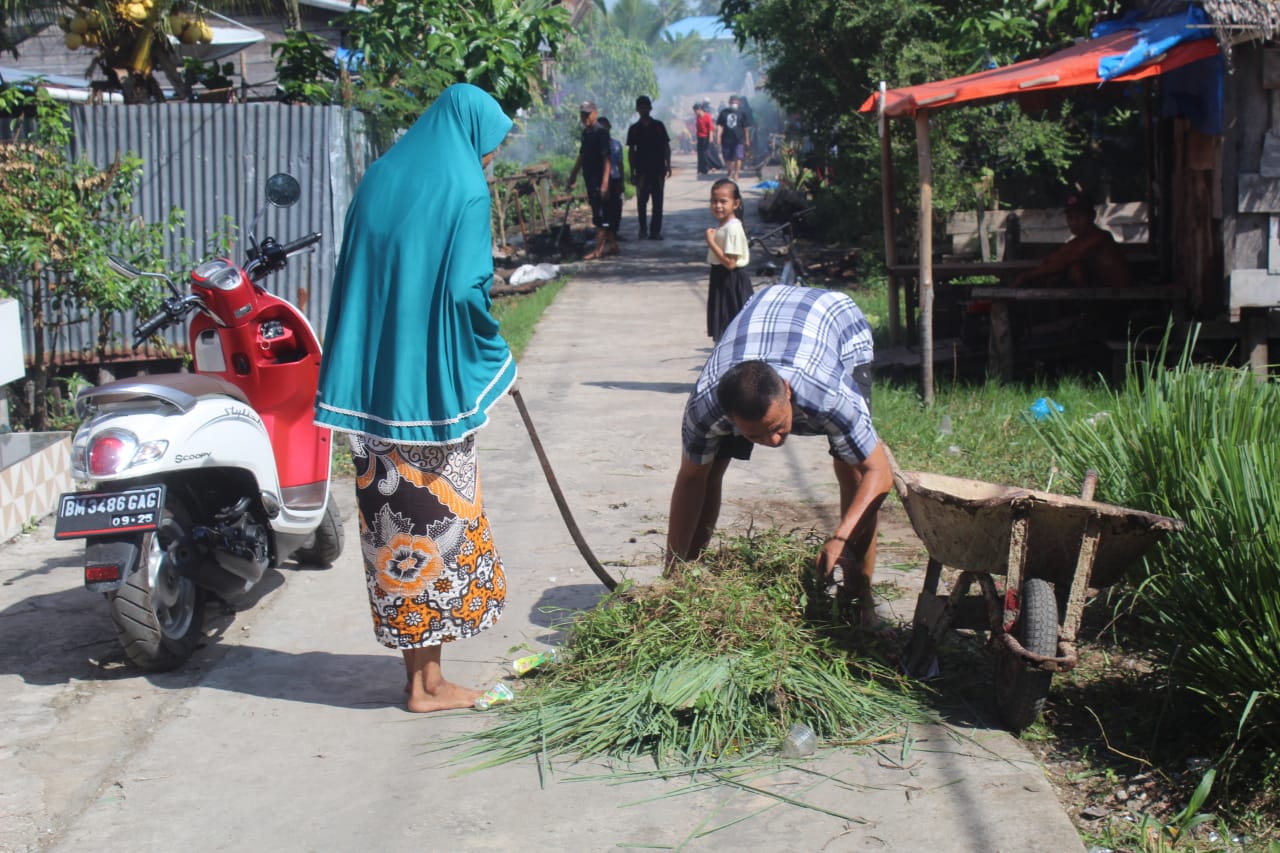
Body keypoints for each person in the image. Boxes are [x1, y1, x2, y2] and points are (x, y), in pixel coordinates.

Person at [314, 83, 515, 714]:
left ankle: (419, 679)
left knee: (394, 532)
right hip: (426, 392)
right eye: (492, 146)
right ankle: (429, 687)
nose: (491, 159)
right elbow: (464, 290)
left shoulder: (381, 175)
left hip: (371, 392)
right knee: (437, 530)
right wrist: (490, 345)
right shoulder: (465, 188)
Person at [665, 285, 893, 627]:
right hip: (760, 317)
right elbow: (692, 478)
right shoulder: (705, 409)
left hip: (836, 320)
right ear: (730, 418)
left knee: (852, 468)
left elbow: (879, 473)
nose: (772, 441)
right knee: (711, 468)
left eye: (776, 426)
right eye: (754, 435)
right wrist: (671, 576)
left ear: (787, 392)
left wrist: (840, 536)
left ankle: (859, 596)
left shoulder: (827, 395)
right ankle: (687, 583)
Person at [1012, 191, 1130, 289]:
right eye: (1070, 217)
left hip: (1117, 299)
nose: (1074, 222)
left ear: (1092, 216)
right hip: (1097, 296)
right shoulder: (1077, 242)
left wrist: (1025, 276)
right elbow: (1055, 258)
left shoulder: (1100, 238)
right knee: (1056, 275)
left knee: (1074, 270)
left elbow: (1062, 262)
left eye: (1079, 217)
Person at [566, 100, 616, 260]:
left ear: (595, 113)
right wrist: (573, 174)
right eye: (582, 115)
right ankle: (613, 245)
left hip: (600, 180)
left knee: (602, 216)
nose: (585, 118)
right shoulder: (586, 134)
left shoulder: (601, 133)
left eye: (587, 114)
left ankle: (598, 250)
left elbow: (607, 159)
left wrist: (605, 184)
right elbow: (582, 156)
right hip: (590, 180)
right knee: (598, 214)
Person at [704, 179, 752, 341]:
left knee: (731, 323)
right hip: (720, 276)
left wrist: (711, 241)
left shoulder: (733, 228)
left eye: (723, 201)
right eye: (714, 201)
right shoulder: (724, 225)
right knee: (723, 323)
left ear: (736, 203)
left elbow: (730, 263)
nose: (718, 206)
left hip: (731, 280)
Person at [626, 95, 672, 240]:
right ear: (637, 109)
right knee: (642, 201)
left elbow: (666, 146)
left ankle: (655, 231)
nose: (643, 109)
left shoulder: (658, 126)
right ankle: (643, 230)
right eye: (641, 107)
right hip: (641, 170)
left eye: (646, 106)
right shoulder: (634, 129)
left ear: (650, 108)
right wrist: (632, 171)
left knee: (658, 201)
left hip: (658, 168)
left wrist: (668, 165)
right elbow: (631, 151)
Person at [597, 117, 625, 241]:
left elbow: (620, 164)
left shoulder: (616, 145)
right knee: (603, 210)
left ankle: (614, 232)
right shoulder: (595, 146)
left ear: (609, 127)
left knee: (616, 207)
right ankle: (606, 234)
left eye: (605, 127)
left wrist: (622, 181)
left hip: (615, 179)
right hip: (601, 181)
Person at [716, 95, 750, 182]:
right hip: (726, 139)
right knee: (727, 157)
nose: (733, 103)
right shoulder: (723, 113)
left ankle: (737, 173)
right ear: (729, 102)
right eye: (732, 102)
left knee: (739, 156)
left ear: (738, 103)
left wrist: (747, 140)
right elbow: (720, 125)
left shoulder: (742, 113)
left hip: (739, 139)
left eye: (735, 102)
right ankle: (730, 170)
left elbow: (746, 128)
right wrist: (718, 136)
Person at [694, 102, 713, 175]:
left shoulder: (707, 116)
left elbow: (710, 127)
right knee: (700, 154)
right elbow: (698, 128)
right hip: (700, 137)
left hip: (706, 137)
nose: (695, 112)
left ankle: (706, 168)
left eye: (696, 111)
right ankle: (700, 169)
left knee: (705, 153)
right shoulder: (698, 117)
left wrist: (710, 137)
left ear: (699, 109)